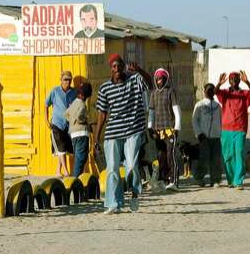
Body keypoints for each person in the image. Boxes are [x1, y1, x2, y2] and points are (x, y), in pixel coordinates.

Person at [95, 54, 152, 214]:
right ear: (111, 69)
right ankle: (114, 203)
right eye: (114, 66)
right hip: (113, 132)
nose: (117, 69)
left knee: (132, 166)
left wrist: (139, 70)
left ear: (123, 66)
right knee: (112, 168)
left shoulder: (135, 80)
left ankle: (134, 194)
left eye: (119, 65)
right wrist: (97, 136)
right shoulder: (105, 88)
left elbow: (150, 84)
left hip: (133, 130)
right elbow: (102, 113)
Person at [215, 70, 250, 190]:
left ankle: (239, 181)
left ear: (239, 80)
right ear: (229, 81)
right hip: (226, 129)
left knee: (238, 154)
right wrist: (219, 83)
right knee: (228, 156)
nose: (234, 81)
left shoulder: (244, 94)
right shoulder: (225, 94)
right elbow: (214, 92)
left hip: (240, 128)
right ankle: (231, 180)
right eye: (231, 79)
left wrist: (248, 82)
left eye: (236, 79)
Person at [148, 68, 182, 191]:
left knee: (170, 155)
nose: (159, 81)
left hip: (170, 129)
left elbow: (176, 109)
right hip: (158, 130)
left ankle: (174, 181)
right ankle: (164, 180)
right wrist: (150, 127)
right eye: (157, 79)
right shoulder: (153, 94)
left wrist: (177, 126)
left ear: (166, 79)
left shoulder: (170, 92)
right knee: (161, 156)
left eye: (161, 79)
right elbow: (151, 112)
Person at [45, 71, 78, 177]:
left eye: (69, 79)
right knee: (61, 148)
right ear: (61, 80)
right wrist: (46, 120)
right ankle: (66, 171)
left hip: (69, 125)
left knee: (63, 149)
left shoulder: (74, 92)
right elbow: (46, 104)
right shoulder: (55, 91)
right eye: (65, 79)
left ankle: (58, 171)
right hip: (57, 123)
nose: (67, 82)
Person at [192, 83, 223, 187]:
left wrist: (220, 132)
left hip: (215, 136)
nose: (210, 92)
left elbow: (221, 120)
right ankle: (199, 178)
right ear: (204, 91)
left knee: (216, 159)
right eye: (208, 90)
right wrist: (199, 133)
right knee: (203, 158)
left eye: (212, 90)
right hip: (203, 136)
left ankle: (215, 180)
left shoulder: (218, 106)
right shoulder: (200, 105)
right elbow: (194, 120)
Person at [64, 82, 93, 177]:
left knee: (78, 158)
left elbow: (66, 114)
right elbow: (80, 116)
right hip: (81, 133)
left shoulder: (74, 103)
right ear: (87, 95)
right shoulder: (83, 105)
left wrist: (72, 122)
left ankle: (76, 180)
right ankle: (74, 181)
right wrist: (85, 121)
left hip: (73, 134)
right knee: (81, 159)